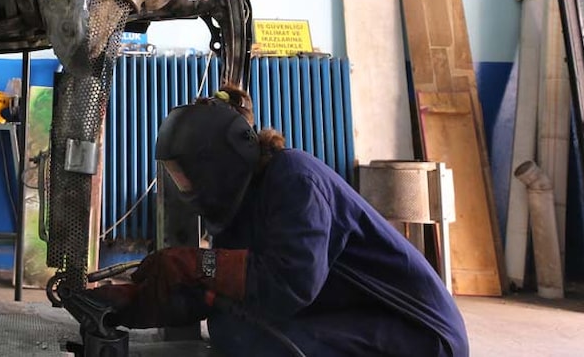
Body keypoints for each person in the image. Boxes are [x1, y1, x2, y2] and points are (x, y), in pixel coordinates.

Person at [85, 85, 470, 356]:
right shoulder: (241, 206)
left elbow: (289, 283)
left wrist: (191, 263)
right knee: (232, 330)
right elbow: (225, 296)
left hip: (419, 335)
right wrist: (130, 304)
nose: (183, 185)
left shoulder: (295, 178)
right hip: (356, 317)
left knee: (258, 344)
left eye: (184, 174)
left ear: (218, 163)